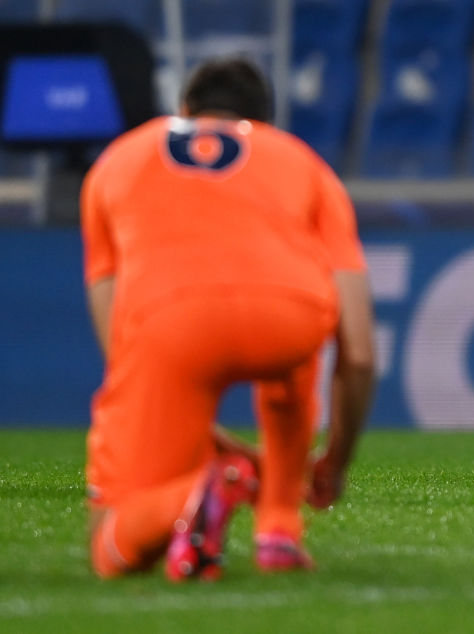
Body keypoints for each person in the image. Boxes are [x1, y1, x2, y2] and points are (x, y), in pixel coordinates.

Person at [80, 57, 375, 580]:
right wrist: (335, 464)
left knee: (111, 541)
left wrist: (207, 441)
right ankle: (279, 526)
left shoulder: (116, 160)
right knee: (296, 356)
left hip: (169, 322)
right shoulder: (299, 161)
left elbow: (120, 340)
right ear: (265, 124)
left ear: (185, 111)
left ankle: (198, 493)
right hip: (290, 316)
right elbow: (358, 352)